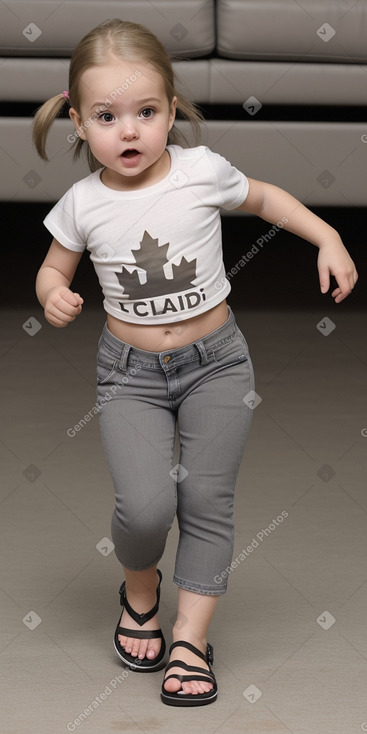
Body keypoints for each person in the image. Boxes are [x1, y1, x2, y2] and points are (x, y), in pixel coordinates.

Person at [33, 18, 358, 708]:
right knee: (145, 506)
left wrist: (327, 236)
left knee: (207, 501)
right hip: (129, 374)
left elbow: (266, 198)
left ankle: (189, 636)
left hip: (218, 365)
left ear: (171, 111)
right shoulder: (82, 204)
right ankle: (141, 586)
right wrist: (54, 293)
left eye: (146, 113)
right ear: (76, 120)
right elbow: (51, 269)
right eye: (107, 116)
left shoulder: (202, 170)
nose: (129, 132)